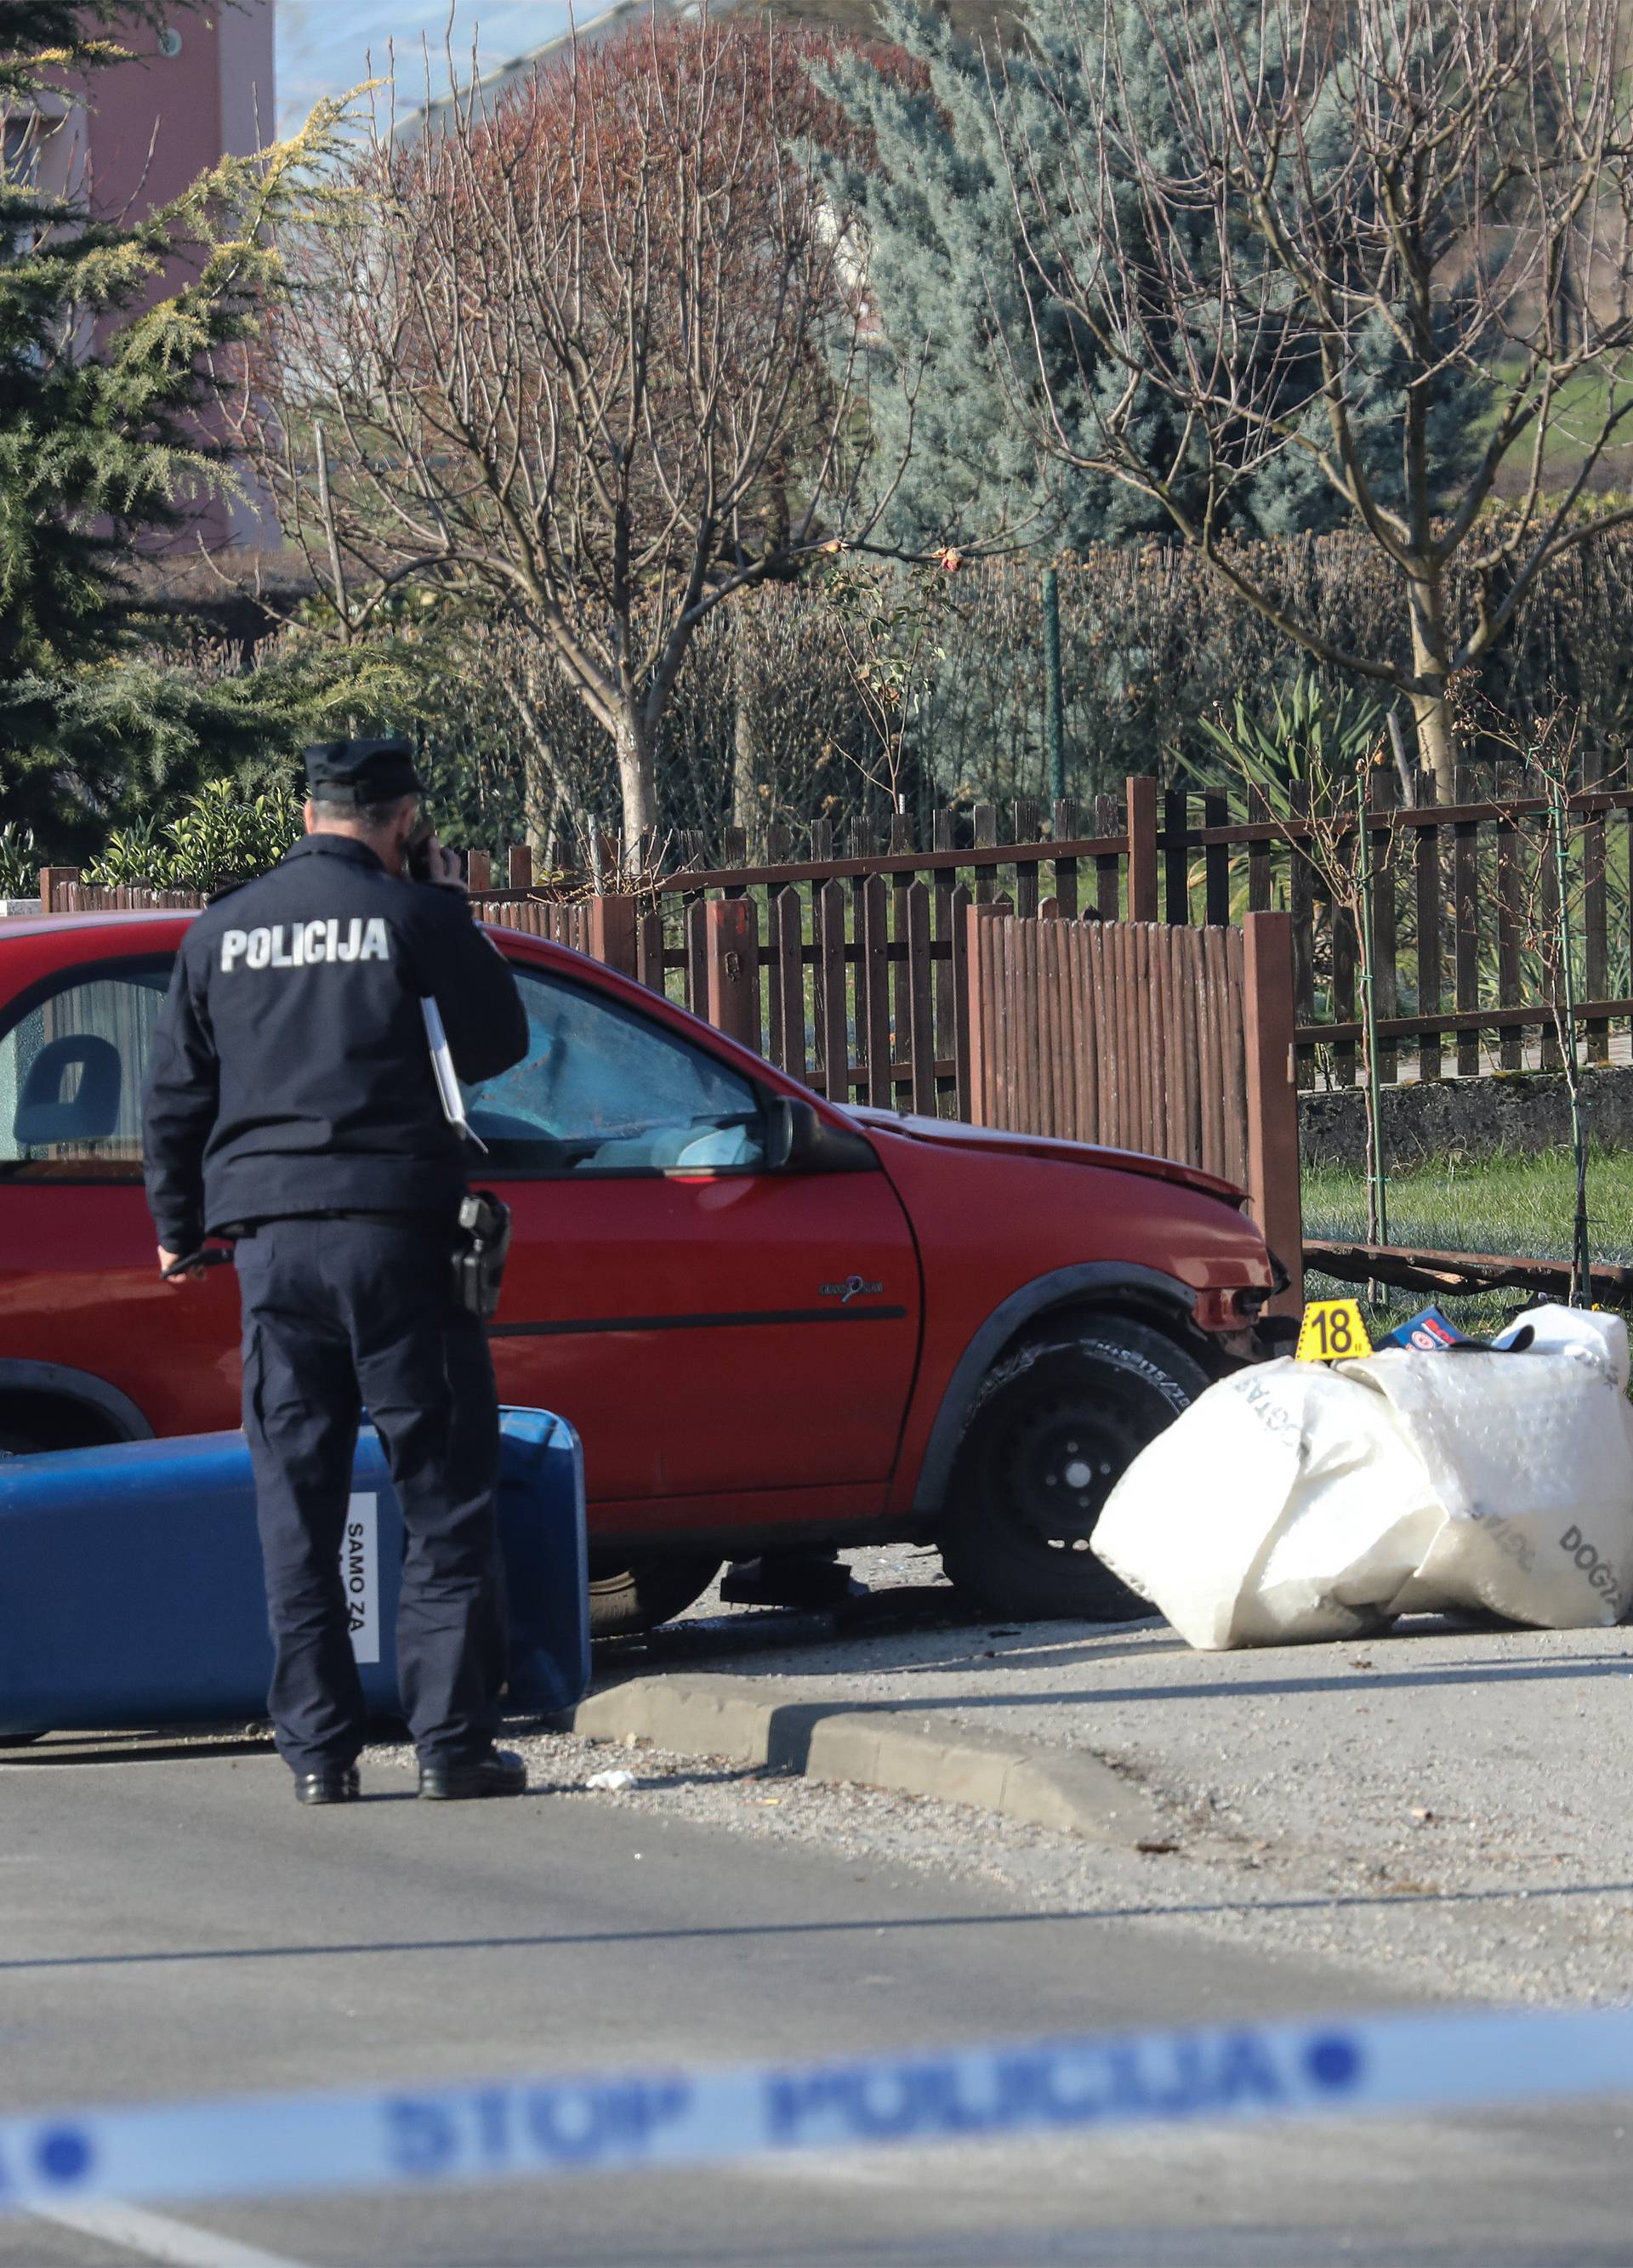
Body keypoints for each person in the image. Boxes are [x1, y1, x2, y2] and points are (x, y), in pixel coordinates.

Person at [141, 740, 532, 1807]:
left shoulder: (221, 929)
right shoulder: (414, 917)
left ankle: (319, 1751)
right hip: (399, 1237)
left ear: (308, 810)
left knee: (296, 1498)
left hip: (269, 1247)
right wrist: (452, 912)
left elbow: (175, 1092)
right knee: (443, 1491)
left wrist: (178, 1229)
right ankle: (453, 1745)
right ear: (405, 816)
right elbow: (498, 1042)